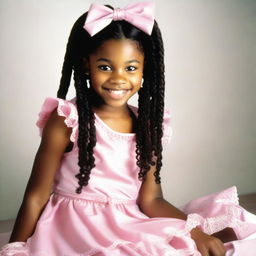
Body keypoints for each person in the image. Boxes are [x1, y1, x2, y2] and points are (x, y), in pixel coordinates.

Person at [1, 2, 256, 256]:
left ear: (146, 69)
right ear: (86, 65)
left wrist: (195, 232)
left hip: (128, 221)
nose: (118, 78)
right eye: (105, 66)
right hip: (76, 226)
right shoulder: (68, 119)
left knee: (227, 235)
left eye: (131, 68)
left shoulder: (148, 124)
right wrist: (15, 248)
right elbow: (36, 195)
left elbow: (151, 199)